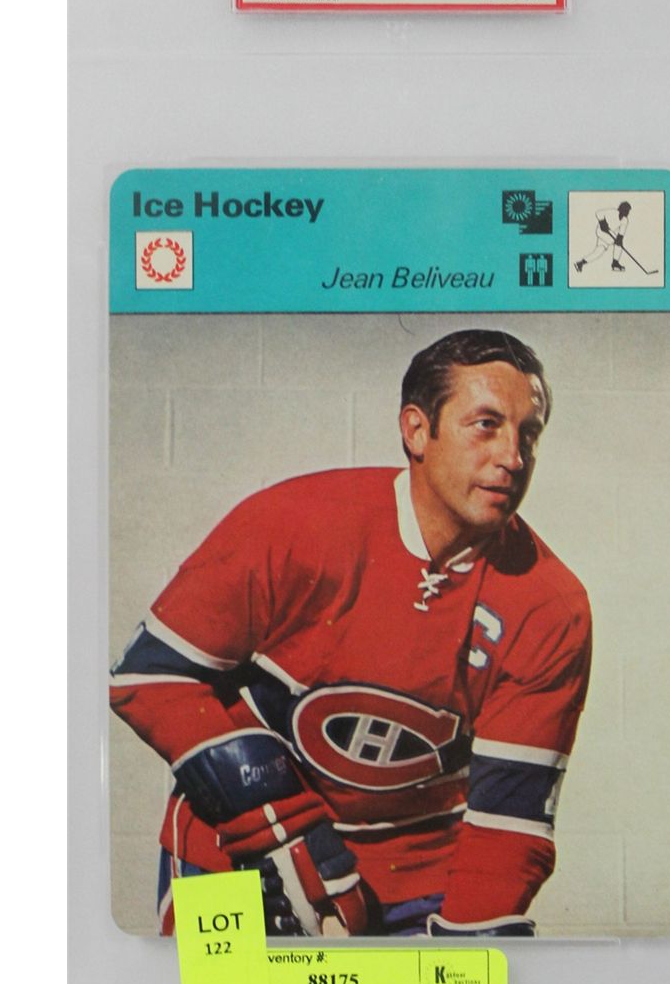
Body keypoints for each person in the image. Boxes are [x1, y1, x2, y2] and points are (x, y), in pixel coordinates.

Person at [110, 329, 592, 938]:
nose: (513, 457)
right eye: (486, 425)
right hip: (236, 846)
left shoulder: (551, 605)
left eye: (529, 434)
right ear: (417, 430)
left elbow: (507, 824)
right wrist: (277, 824)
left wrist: (470, 949)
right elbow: (148, 676)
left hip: (418, 881)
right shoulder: (292, 524)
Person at [574, 201, 632, 272]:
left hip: (609, 233)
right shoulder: (613, 212)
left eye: (628, 211)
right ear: (621, 209)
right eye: (626, 211)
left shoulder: (625, 220)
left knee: (600, 250)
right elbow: (598, 213)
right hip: (601, 231)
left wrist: (619, 240)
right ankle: (615, 263)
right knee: (618, 245)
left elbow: (620, 234)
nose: (627, 213)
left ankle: (580, 263)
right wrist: (602, 222)